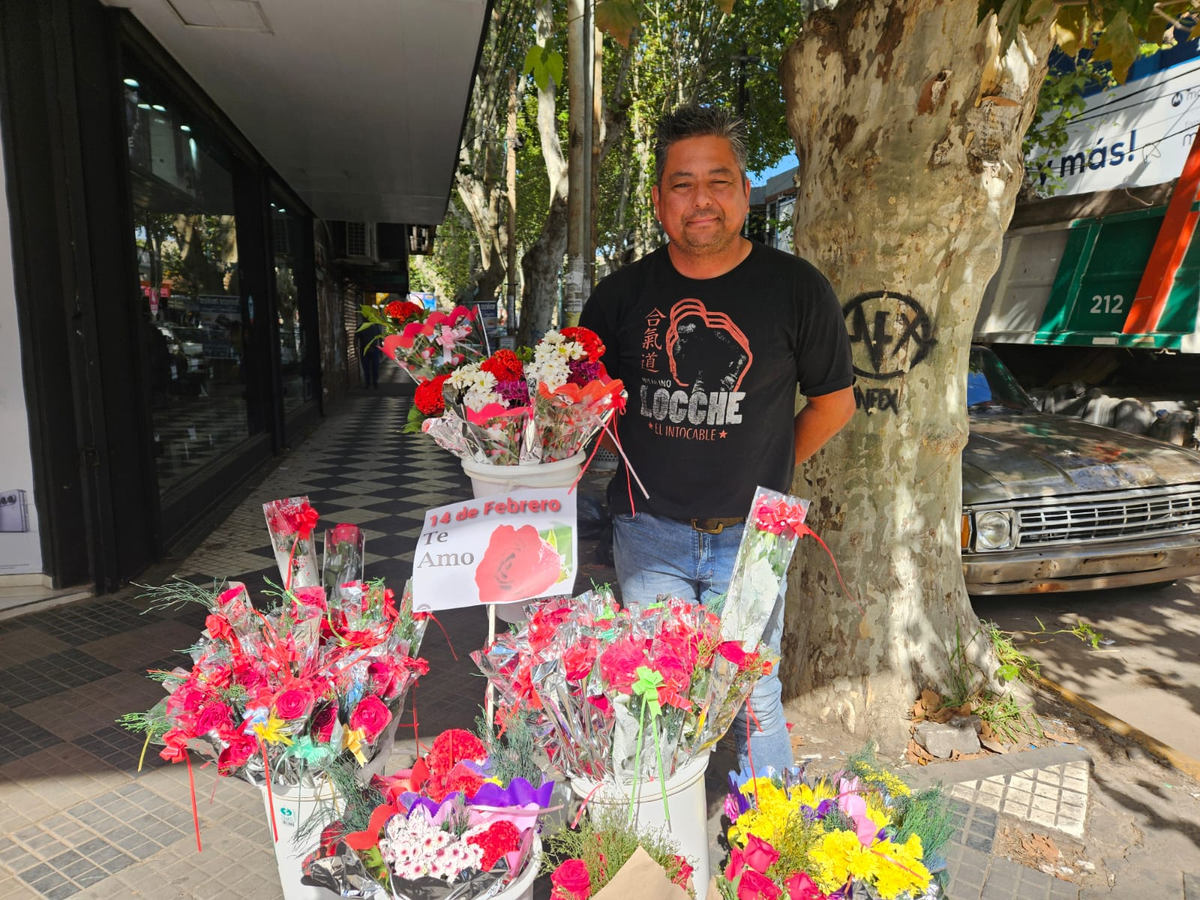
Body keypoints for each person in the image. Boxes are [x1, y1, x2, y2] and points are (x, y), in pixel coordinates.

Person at [578, 105, 856, 775]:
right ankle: (653, 844)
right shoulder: (619, 298)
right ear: (658, 200)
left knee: (753, 690)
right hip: (648, 534)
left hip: (754, 534)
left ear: (744, 191)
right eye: (682, 183)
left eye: (719, 180)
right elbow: (585, 406)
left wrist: (765, 468)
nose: (700, 200)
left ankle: (769, 847)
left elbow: (835, 403)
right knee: (654, 688)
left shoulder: (797, 289)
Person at [359, 321, 383, 388]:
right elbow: (355, 338)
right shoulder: (361, 327)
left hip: (374, 349)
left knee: (375, 366)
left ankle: (374, 383)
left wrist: (381, 349)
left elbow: (380, 338)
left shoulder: (375, 327)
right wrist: (355, 349)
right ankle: (368, 383)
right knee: (366, 367)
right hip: (364, 349)